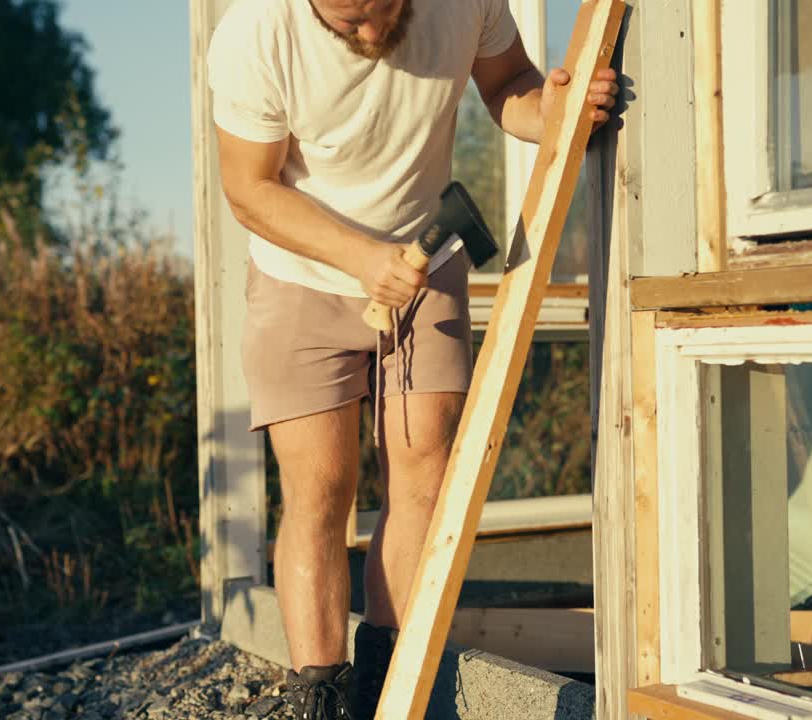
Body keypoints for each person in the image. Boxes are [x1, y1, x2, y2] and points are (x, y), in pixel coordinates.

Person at [207, 0, 617, 717]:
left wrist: (550, 108)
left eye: (378, 11)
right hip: (300, 272)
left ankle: (392, 689)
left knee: (425, 476)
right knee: (321, 492)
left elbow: (507, 84)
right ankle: (324, 698)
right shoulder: (255, 30)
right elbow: (248, 188)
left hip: (427, 260)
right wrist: (364, 259)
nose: (368, 35)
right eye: (344, 24)